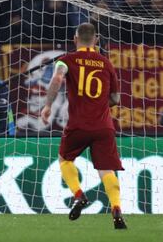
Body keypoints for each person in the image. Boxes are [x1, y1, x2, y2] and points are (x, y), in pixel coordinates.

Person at [41, 23, 127, 229]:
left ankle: (78, 195)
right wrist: (98, 106)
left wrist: (48, 106)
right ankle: (116, 209)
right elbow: (115, 98)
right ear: (96, 40)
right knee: (107, 170)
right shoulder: (106, 63)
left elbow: (57, 79)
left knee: (64, 158)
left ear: (75, 39)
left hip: (78, 125)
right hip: (104, 127)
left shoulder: (66, 61)